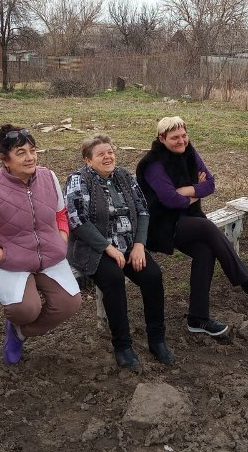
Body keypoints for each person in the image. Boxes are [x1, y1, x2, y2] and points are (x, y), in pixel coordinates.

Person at [136, 116, 248, 337]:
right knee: (208, 228)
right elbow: (169, 201)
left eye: (184, 135)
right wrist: (195, 189)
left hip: (189, 218)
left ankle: (197, 318)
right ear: (161, 138)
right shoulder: (153, 164)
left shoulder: (190, 153)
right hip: (161, 224)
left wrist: (185, 191)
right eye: (174, 138)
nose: (181, 141)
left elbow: (210, 184)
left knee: (206, 251)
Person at [0, 125, 81, 365]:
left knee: (69, 303)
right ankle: (17, 323)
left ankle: (20, 333)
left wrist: (62, 237)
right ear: (5, 159)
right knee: (25, 309)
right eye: (21, 152)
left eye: (33, 150)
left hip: (48, 256)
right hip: (8, 263)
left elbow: (60, 213)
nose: (30, 157)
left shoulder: (49, 177)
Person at [66, 134, 172, 370]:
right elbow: (77, 220)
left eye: (110, 151)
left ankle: (157, 339)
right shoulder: (78, 180)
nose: (108, 156)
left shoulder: (124, 176)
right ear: (88, 160)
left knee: (153, 276)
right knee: (114, 279)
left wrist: (139, 245)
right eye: (101, 154)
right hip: (94, 248)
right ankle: (122, 345)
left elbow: (143, 211)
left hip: (128, 245)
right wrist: (108, 249)